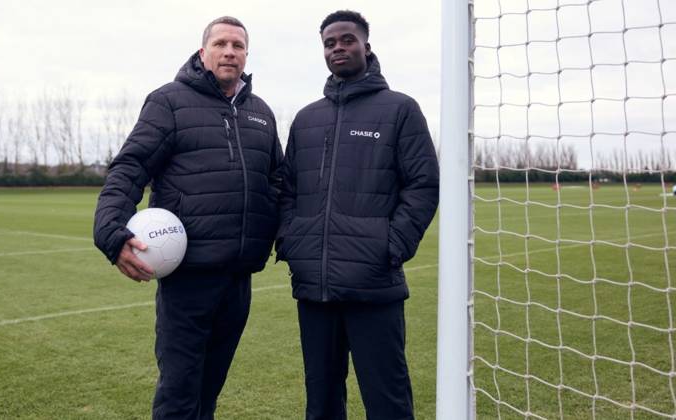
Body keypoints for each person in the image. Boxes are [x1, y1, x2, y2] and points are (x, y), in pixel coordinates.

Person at [93, 16, 282, 420]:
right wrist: (111, 232)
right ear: (203, 52)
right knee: (179, 395)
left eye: (238, 45)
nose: (229, 52)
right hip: (188, 278)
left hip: (238, 277)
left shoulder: (261, 113)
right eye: (220, 44)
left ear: (247, 55)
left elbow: (278, 181)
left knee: (209, 392)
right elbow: (130, 168)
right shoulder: (169, 102)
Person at [275, 10, 439, 420]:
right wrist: (293, 242)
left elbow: (423, 185)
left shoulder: (400, 109)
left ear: (366, 45)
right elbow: (287, 189)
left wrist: (390, 246)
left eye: (347, 40)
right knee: (322, 400)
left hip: (373, 283)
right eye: (329, 43)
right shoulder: (307, 118)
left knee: (387, 400)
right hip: (314, 286)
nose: (338, 48)